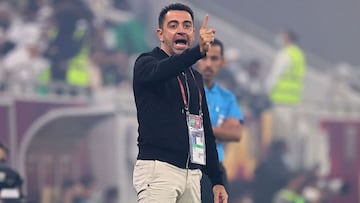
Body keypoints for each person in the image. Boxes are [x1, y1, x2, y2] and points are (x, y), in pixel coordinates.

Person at [132, 3, 227, 203]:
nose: (180, 30)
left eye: (186, 25)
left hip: (192, 175)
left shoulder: (195, 77)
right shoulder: (146, 63)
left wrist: (217, 180)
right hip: (159, 170)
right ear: (161, 33)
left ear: (193, 33)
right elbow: (162, 71)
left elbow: (204, 130)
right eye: (173, 25)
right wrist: (197, 52)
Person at [196, 38, 243, 203]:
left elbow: (235, 133)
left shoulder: (227, 97)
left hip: (216, 169)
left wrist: (203, 128)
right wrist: (218, 130)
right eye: (203, 57)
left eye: (214, 58)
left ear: (222, 62)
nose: (208, 64)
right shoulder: (186, 90)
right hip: (190, 168)